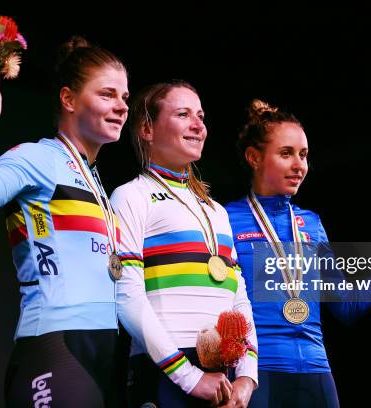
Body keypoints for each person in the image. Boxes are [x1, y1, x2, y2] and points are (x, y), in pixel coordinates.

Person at [0, 36, 129, 407]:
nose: (122, 106)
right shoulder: (37, 158)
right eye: (108, 94)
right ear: (69, 99)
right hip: (56, 346)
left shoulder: (97, 181)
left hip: (109, 351)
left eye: (124, 97)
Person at [225, 100, 371, 408]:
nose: (299, 165)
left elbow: (348, 306)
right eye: (286, 153)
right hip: (257, 374)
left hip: (316, 374)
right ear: (254, 157)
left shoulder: (312, 224)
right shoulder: (224, 219)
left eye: (303, 155)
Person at [110, 81, 258, 407]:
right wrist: (188, 377)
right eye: (183, 114)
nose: (198, 125)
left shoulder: (216, 210)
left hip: (221, 376)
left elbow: (238, 296)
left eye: (201, 116)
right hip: (164, 370)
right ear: (147, 129)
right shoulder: (131, 196)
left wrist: (247, 374)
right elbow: (128, 298)